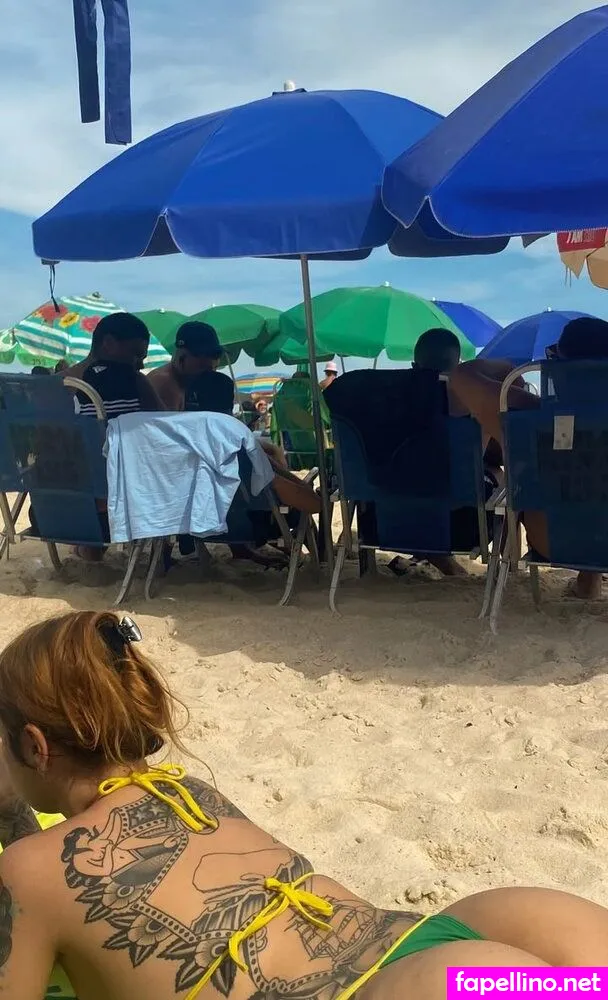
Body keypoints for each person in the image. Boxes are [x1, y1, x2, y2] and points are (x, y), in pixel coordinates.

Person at [0, 611, 608, 1000]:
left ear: (32, 745)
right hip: (438, 945)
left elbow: (48, 897)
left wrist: (8, 814)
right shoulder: (191, 794)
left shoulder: (26, 871)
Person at [450, 316, 608, 600]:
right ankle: (589, 580)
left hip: (552, 541)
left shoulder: (528, 413)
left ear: (556, 366)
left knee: (558, 484)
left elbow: (461, 374)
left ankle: (588, 579)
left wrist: (508, 368)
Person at [64, 312, 163, 418]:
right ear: (109, 343)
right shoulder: (137, 382)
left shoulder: (56, 385)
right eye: (136, 354)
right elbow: (160, 423)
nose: (141, 366)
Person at [147, 321, 234, 414]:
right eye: (201, 366)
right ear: (181, 356)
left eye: (213, 367)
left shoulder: (183, 381)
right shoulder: (165, 382)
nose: (208, 374)